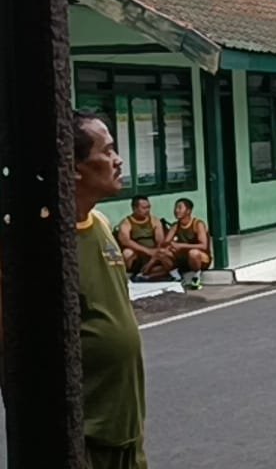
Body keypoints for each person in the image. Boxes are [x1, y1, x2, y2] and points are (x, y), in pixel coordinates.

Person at [73, 110, 149, 468]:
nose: (118, 161)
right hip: (86, 436)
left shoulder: (102, 224)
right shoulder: (44, 246)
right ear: (75, 168)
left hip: (126, 429)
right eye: (107, 151)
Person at [115, 195, 174, 280]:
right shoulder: (126, 223)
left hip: (154, 255)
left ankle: (146, 274)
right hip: (138, 255)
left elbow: (160, 242)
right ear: (134, 208)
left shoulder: (154, 220)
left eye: (148, 207)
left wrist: (154, 255)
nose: (147, 210)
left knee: (166, 253)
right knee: (127, 253)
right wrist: (147, 251)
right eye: (144, 208)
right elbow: (126, 241)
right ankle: (137, 273)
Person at [165, 198, 212, 289]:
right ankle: (177, 276)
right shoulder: (175, 226)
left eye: (179, 208)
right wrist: (171, 244)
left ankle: (196, 277)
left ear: (188, 211)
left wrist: (181, 245)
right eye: (175, 208)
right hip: (184, 258)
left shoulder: (198, 224)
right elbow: (165, 243)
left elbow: (203, 245)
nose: (176, 211)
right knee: (163, 252)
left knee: (193, 253)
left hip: (200, 258)